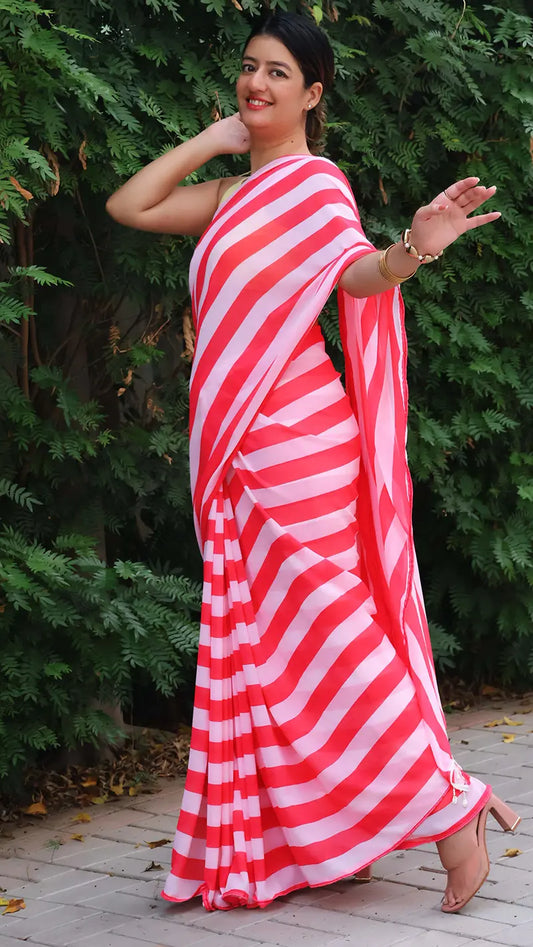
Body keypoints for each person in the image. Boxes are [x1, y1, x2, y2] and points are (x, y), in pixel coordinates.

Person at [107, 10, 520, 915]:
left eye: (278, 73)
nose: (257, 84)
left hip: (298, 446)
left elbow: (357, 276)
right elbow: (128, 205)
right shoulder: (225, 198)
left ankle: (454, 812)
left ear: (314, 93)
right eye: (248, 70)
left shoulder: (314, 187)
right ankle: (315, 843)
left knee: (332, 642)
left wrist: (413, 249)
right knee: (274, 654)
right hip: (232, 448)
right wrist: (212, 139)